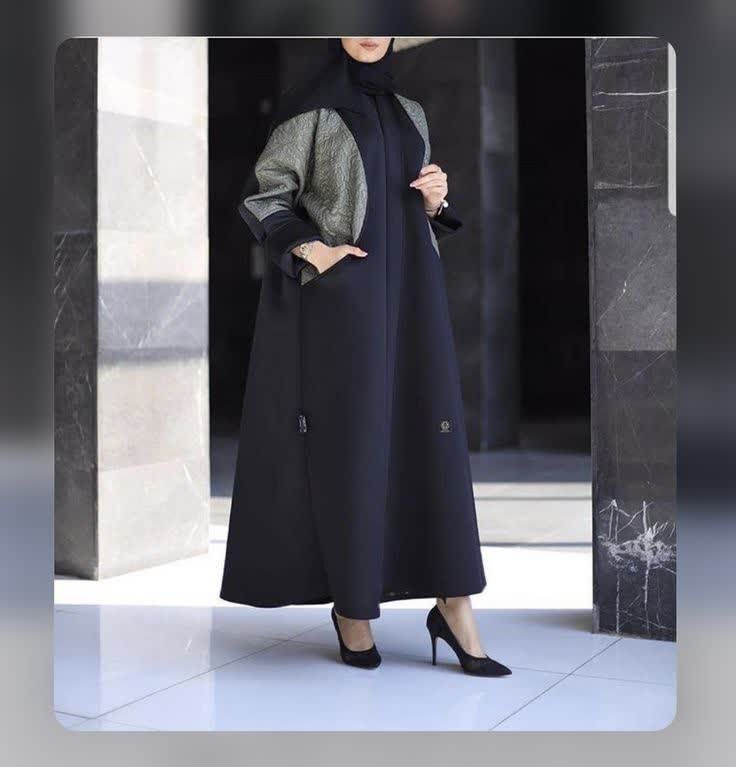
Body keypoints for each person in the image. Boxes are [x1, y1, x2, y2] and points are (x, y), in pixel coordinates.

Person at [220, 37, 511, 677]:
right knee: (353, 448)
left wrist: (437, 201)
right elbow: (264, 195)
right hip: (346, 306)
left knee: (429, 442)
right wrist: (314, 251)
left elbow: (413, 209)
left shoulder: (411, 112)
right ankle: (353, 608)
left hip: (413, 300)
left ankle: (454, 605)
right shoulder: (311, 107)